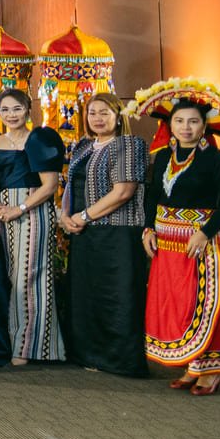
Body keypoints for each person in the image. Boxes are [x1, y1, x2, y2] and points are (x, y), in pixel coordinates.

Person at [143, 97, 220, 395]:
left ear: (204, 126)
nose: (186, 127)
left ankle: (211, 370)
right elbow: (153, 195)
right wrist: (148, 228)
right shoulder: (164, 156)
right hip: (167, 242)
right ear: (170, 125)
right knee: (180, 304)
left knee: (205, 303)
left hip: (201, 242)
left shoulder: (215, 159)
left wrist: (204, 233)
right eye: (179, 121)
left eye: (193, 121)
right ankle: (193, 365)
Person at [59, 93, 148, 377]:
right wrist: (66, 216)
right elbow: (71, 185)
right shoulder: (83, 145)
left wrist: (84, 216)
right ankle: (89, 354)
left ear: (118, 117)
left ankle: (119, 360)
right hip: (84, 232)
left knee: (117, 295)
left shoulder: (129, 144)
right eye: (92, 113)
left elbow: (123, 192)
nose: (97, 118)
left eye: (104, 113)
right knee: (87, 294)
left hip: (117, 233)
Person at [0, 88, 66, 366]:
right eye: (5, 110)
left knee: (30, 278)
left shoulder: (39, 138)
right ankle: (14, 341)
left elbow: (50, 185)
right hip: (3, 212)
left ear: (28, 110)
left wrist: (19, 208)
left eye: (17, 108)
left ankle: (29, 346)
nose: (11, 115)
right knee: (11, 277)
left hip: (33, 210)